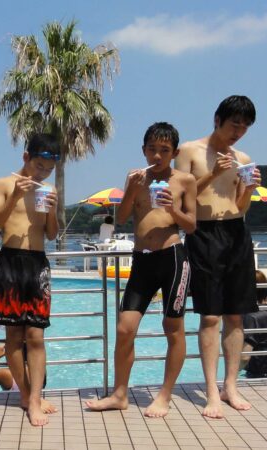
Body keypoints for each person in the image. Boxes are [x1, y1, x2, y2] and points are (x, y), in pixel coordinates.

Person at [85, 122, 196, 418]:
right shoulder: (136, 178)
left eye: (164, 150)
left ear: (174, 153)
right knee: (125, 328)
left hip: (173, 258)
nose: (157, 156)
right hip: (142, 260)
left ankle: (165, 395)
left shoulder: (185, 180)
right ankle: (119, 394)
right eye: (152, 149)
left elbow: (191, 225)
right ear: (143, 150)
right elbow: (121, 218)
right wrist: (132, 190)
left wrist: (173, 210)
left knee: (173, 327)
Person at [174, 95, 261, 418]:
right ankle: (211, 390)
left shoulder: (243, 158)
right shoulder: (189, 151)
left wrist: (249, 188)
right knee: (210, 316)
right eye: (234, 124)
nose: (238, 132)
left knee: (236, 316)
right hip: (204, 233)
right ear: (217, 120)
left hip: (237, 232)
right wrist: (212, 173)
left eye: (244, 127)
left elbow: (240, 205)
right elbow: (181, 195)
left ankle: (230, 386)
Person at [0, 132, 61, 426]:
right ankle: (26, 394)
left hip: (37, 262)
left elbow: (52, 234)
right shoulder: (2, 184)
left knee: (36, 335)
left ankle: (34, 400)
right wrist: (15, 196)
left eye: (49, 169)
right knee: (13, 337)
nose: (42, 173)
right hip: (10, 261)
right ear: (26, 157)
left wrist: (53, 210)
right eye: (39, 166)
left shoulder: (49, 189)